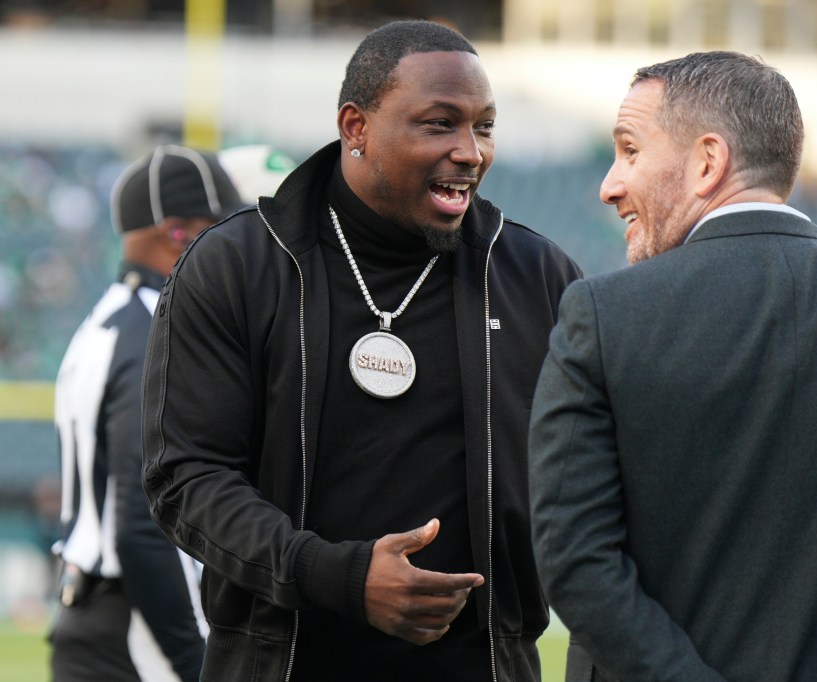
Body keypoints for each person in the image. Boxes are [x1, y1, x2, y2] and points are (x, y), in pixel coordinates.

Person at [528, 51, 817, 682]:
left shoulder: (602, 315)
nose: (610, 184)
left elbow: (574, 556)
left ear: (707, 162)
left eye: (629, 151)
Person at [140, 19, 581, 682]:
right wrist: (337, 576)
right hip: (281, 664)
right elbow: (187, 479)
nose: (471, 152)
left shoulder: (536, 277)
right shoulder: (238, 266)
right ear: (355, 127)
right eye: (440, 123)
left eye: (484, 127)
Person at [50, 144, 244, 681]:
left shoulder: (108, 319)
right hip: (137, 629)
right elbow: (141, 520)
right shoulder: (156, 326)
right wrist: (196, 662)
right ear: (178, 232)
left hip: (98, 613)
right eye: (221, 228)